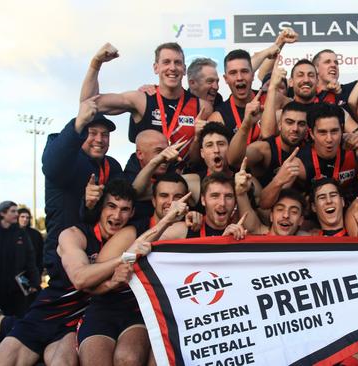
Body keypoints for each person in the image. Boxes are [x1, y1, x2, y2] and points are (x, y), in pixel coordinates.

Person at [0, 180, 150, 366]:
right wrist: (125, 257)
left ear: (131, 213)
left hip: (79, 321)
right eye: (111, 206)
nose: (117, 215)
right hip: (49, 310)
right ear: (101, 207)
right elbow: (80, 278)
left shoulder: (131, 237)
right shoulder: (74, 234)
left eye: (124, 209)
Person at [76, 177, 191, 366]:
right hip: (103, 309)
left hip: (140, 313)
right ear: (153, 201)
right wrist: (113, 281)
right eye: (164, 196)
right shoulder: (131, 231)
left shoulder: (191, 227)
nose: (171, 202)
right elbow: (90, 283)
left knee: (128, 358)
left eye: (178, 196)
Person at [80, 42, 212, 160]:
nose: (172, 67)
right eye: (166, 62)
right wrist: (96, 63)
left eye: (177, 62)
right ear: (156, 68)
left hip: (181, 178)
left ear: (184, 69)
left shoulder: (202, 107)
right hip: (146, 178)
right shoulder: (140, 100)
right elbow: (88, 103)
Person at [42, 100, 123, 285]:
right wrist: (77, 125)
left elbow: (128, 196)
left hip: (97, 254)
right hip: (64, 254)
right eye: (92, 133)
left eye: (105, 135)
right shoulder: (68, 158)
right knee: (55, 309)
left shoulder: (112, 165)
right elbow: (53, 164)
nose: (99, 140)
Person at [0, 202, 40, 318]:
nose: (17, 214)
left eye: (17, 211)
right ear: (2, 213)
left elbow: (30, 259)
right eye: (13, 211)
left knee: (18, 318)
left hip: (17, 286)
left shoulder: (21, 233)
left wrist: (35, 282)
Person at [185, 173, 247, 239]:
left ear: (235, 201)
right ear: (203, 200)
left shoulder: (244, 231)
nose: (222, 203)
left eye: (228, 196)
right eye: (215, 196)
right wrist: (172, 216)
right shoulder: (186, 229)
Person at [17, 208, 44, 278]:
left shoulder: (36, 234)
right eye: (22, 217)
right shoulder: (11, 234)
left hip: (32, 271)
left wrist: (39, 271)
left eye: (27, 217)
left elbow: (41, 254)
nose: (25, 219)